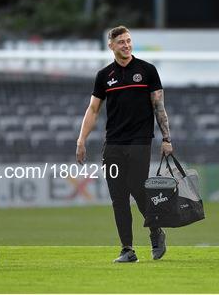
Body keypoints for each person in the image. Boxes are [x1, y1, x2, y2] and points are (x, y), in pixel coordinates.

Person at [76, 25, 173, 263]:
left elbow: (159, 107)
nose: (126, 45)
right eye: (121, 42)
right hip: (114, 144)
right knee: (118, 197)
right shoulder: (104, 76)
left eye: (129, 41)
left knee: (137, 188)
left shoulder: (147, 71)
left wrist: (167, 138)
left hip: (140, 141)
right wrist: (81, 139)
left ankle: (155, 231)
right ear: (111, 45)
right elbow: (93, 109)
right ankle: (127, 249)